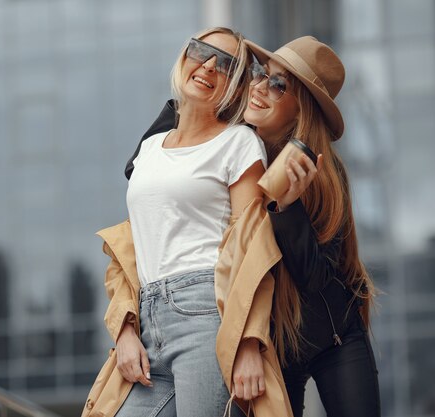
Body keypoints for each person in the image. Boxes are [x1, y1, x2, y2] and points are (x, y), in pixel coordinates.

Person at [126, 36, 381, 417]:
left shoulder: (322, 175)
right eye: (260, 74)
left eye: (279, 85)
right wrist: (190, 105)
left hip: (332, 338)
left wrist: (286, 208)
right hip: (276, 341)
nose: (260, 87)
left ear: (301, 110)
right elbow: (141, 171)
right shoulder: (235, 142)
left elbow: (316, 279)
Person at [82, 27, 292, 417]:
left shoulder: (239, 143)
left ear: (236, 85)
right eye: (202, 51)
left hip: (206, 316)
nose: (209, 66)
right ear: (185, 56)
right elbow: (130, 251)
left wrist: (249, 342)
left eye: (226, 64)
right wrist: (126, 330)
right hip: (147, 322)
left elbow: (251, 249)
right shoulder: (148, 150)